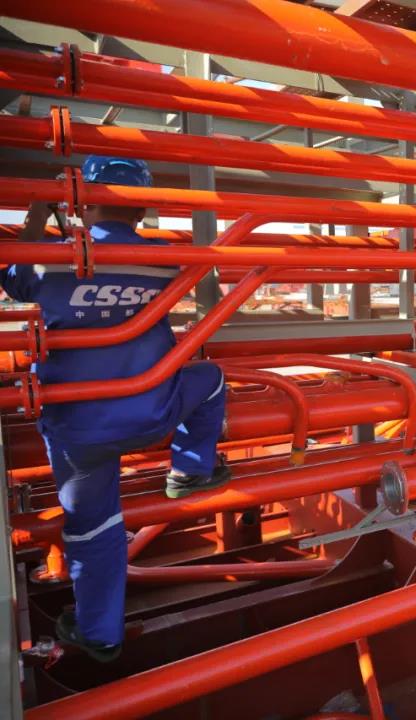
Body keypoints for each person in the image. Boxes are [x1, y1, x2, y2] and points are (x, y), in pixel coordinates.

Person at [2, 156, 231, 662]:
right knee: (211, 378)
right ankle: (189, 470)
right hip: (150, 412)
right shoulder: (160, 260)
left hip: (75, 428)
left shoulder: (44, 261)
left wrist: (39, 214)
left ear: (84, 201)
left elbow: (12, 281)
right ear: (142, 207)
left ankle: (100, 634)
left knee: (93, 529)